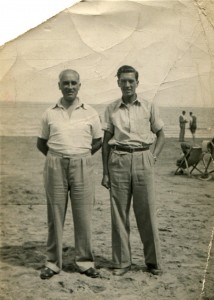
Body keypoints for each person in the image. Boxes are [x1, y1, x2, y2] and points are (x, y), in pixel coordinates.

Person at [37, 69, 102, 279]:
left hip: (83, 164)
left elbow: (98, 140)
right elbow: (41, 143)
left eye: (74, 83)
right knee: (55, 216)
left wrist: (79, 156)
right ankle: (53, 263)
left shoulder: (90, 112)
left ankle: (85, 262)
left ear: (79, 85)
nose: (70, 87)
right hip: (55, 164)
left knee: (83, 216)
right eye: (66, 83)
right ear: (59, 86)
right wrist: (59, 157)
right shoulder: (49, 112)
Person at [101, 65, 165, 276]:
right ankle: (122, 263)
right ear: (117, 82)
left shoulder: (149, 106)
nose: (127, 84)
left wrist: (152, 157)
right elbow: (105, 143)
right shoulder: (111, 109)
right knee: (119, 213)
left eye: (131, 80)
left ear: (138, 82)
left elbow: (161, 135)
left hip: (143, 157)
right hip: (117, 159)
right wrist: (105, 172)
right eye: (123, 80)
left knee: (146, 212)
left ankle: (153, 262)